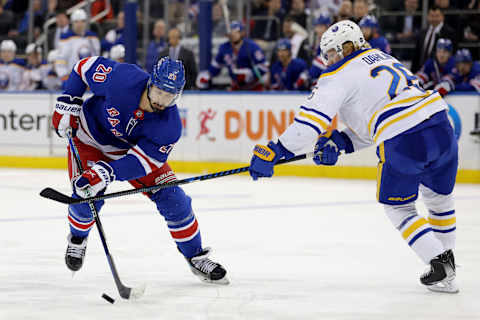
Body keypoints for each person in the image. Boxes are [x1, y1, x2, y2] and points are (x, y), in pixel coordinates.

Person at [248, 20, 459, 293]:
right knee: (439, 199)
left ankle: (438, 261)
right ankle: (449, 266)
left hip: (404, 139)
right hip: (440, 124)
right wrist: (341, 142)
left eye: (332, 53)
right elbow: (375, 121)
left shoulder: (337, 75)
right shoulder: (384, 57)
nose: (330, 60)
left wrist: (277, 150)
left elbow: (307, 125)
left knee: (398, 207)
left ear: (347, 46)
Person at [51, 56, 229, 285]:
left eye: (170, 96)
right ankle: (77, 239)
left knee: (174, 199)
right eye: (159, 92)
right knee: (86, 197)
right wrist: (68, 101)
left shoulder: (170, 126)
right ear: (150, 83)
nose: (162, 101)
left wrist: (107, 172)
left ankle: (195, 256)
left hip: (130, 153)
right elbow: (83, 67)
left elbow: (141, 163)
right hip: (89, 140)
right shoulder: (123, 78)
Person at [196, 21, 268, 91]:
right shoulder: (224, 48)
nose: (233, 34)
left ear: (242, 33)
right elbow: (216, 66)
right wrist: (208, 75)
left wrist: (250, 74)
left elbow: (264, 67)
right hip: (236, 87)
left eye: (236, 32)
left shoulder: (252, 47)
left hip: (254, 87)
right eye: (232, 32)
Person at [57, 9, 101, 80]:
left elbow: (97, 58)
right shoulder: (66, 38)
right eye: (76, 22)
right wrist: (64, 76)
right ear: (72, 23)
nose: (79, 24)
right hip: (72, 77)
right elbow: (61, 60)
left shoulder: (93, 37)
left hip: (90, 78)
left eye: (82, 21)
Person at [411, 6, 456, 73]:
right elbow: (417, 54)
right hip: (421, 72)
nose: (434, 19)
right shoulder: (423, 32)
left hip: (439, 73)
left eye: (437, 16)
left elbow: (452, 54)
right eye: (431, 16)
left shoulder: (450, 33)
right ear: (427, 17)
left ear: (442, 17)